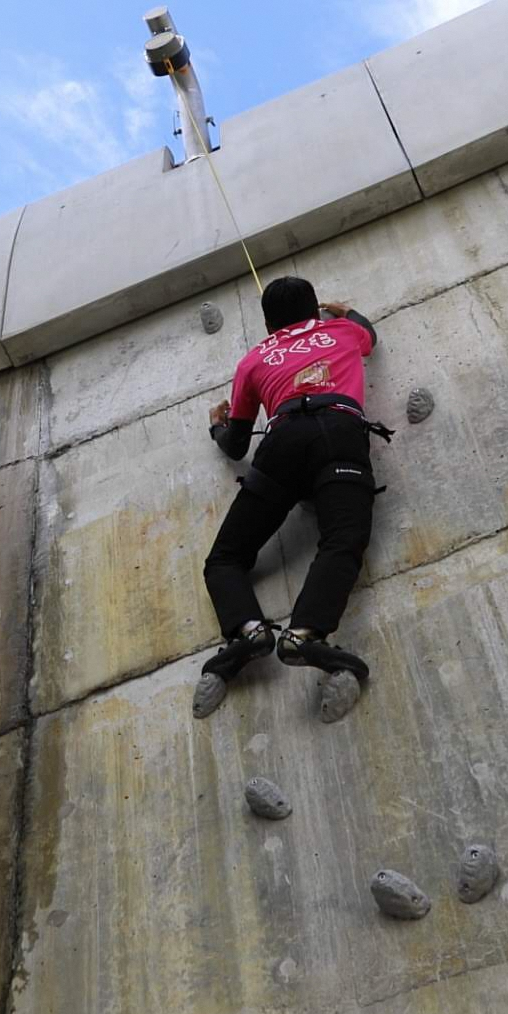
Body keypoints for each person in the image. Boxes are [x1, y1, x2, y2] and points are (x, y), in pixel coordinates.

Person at [194, 275, 387, 716]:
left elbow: (236, 445)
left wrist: (216, 427)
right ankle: (304, 635)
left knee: (225, 558)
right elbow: (369, 335)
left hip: (283, 443)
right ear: (315, 308)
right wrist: (345, 312)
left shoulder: (253, 361)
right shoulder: (342, 331)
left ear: (268, 325)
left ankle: (248, 630)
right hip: (340, 433)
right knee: (342, 539)